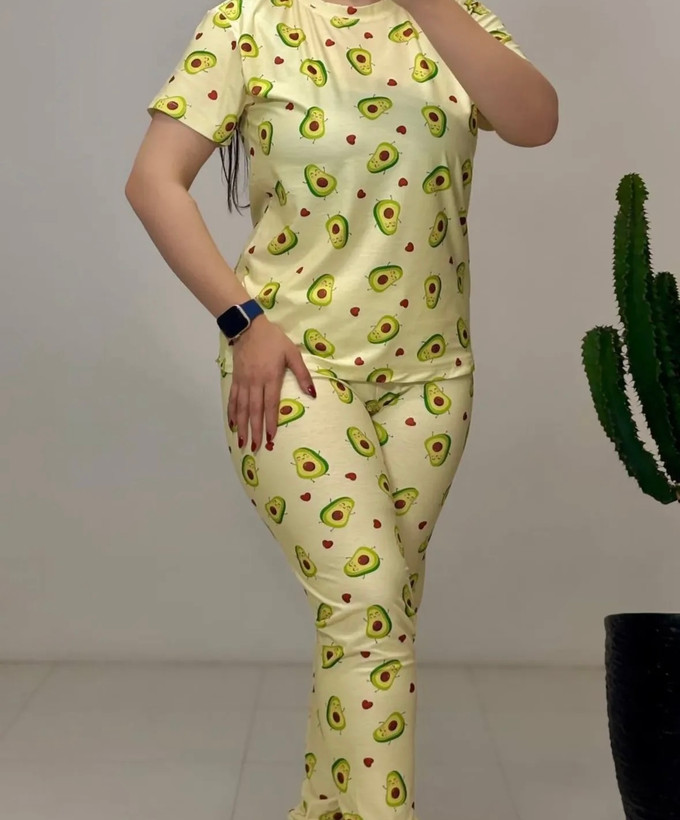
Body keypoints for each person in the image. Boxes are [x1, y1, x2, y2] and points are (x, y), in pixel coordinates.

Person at [126, 1, 532, 817]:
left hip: (432, 378)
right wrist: (243, 322)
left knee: (373, 620)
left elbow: (535, 121)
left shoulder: (453, 16)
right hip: (293, 368)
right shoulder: (249, 22)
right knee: (368, 605)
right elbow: (152, 182)